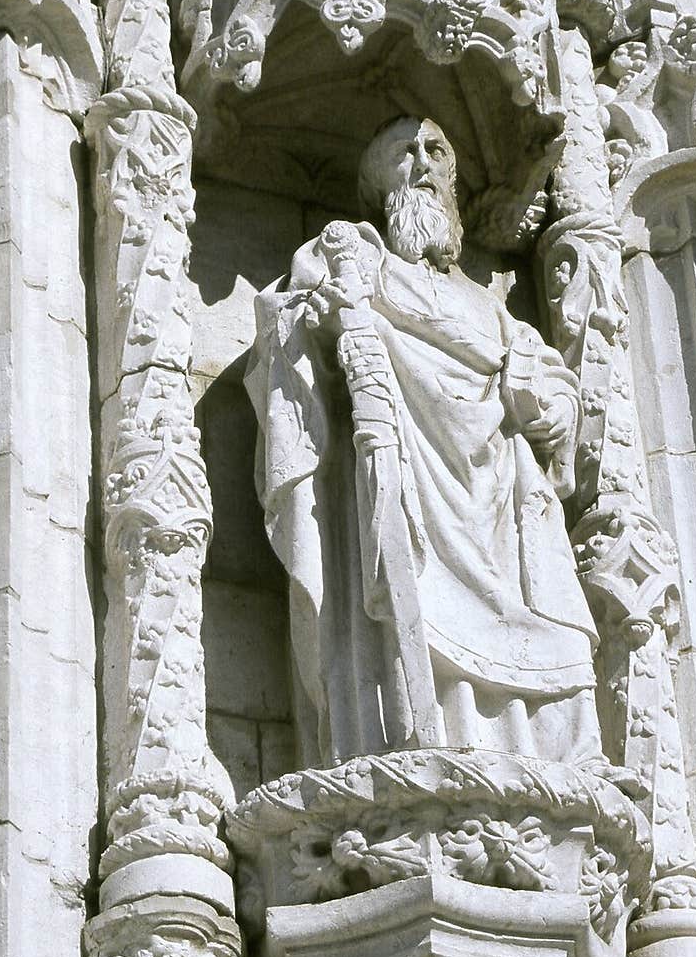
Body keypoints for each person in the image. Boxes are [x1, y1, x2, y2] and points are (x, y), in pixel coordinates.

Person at [246, 116, 601, 767]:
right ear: (377, 186)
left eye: (435, 151)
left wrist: (552, 404)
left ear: (455, 179)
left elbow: (545, 380)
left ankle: (546, 765)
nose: (421, 164)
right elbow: (292, 322)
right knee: (413, 618)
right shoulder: (352, 257)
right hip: (407, 487)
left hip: (504, 508)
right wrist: (323, 324)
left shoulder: (494, 310)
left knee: (555, 634)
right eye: (400, 155)